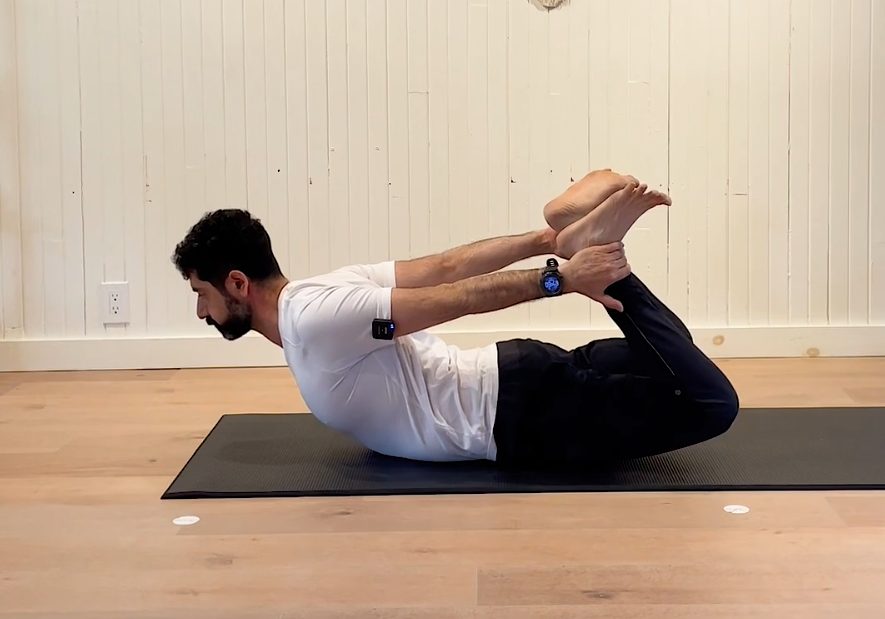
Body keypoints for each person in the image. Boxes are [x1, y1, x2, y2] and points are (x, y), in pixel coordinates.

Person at [171, 170, 739, 468]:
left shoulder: (314, 321)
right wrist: (547, 241)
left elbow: (453, 296)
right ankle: (588, 242)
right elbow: (445, 265)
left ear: (238, 284)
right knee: (672, 360)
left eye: (202, 292)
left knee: (711, 402)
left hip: (523, 415)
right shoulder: (323, 292)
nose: (201, 310)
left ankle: (605, 260)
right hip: (519, 383)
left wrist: (560, 276)